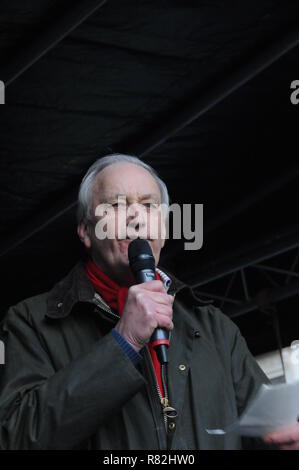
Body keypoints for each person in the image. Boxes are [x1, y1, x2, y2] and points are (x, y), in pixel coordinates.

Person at [0, 154, 298, 450]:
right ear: (86, 231)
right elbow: (16, 438)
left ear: (164, 231)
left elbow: (266, 431)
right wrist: (124, 342)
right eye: (116, 205)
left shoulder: (214, 327)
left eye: (148, 206)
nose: (135, 216)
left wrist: (284, 441)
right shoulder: (32, 321)